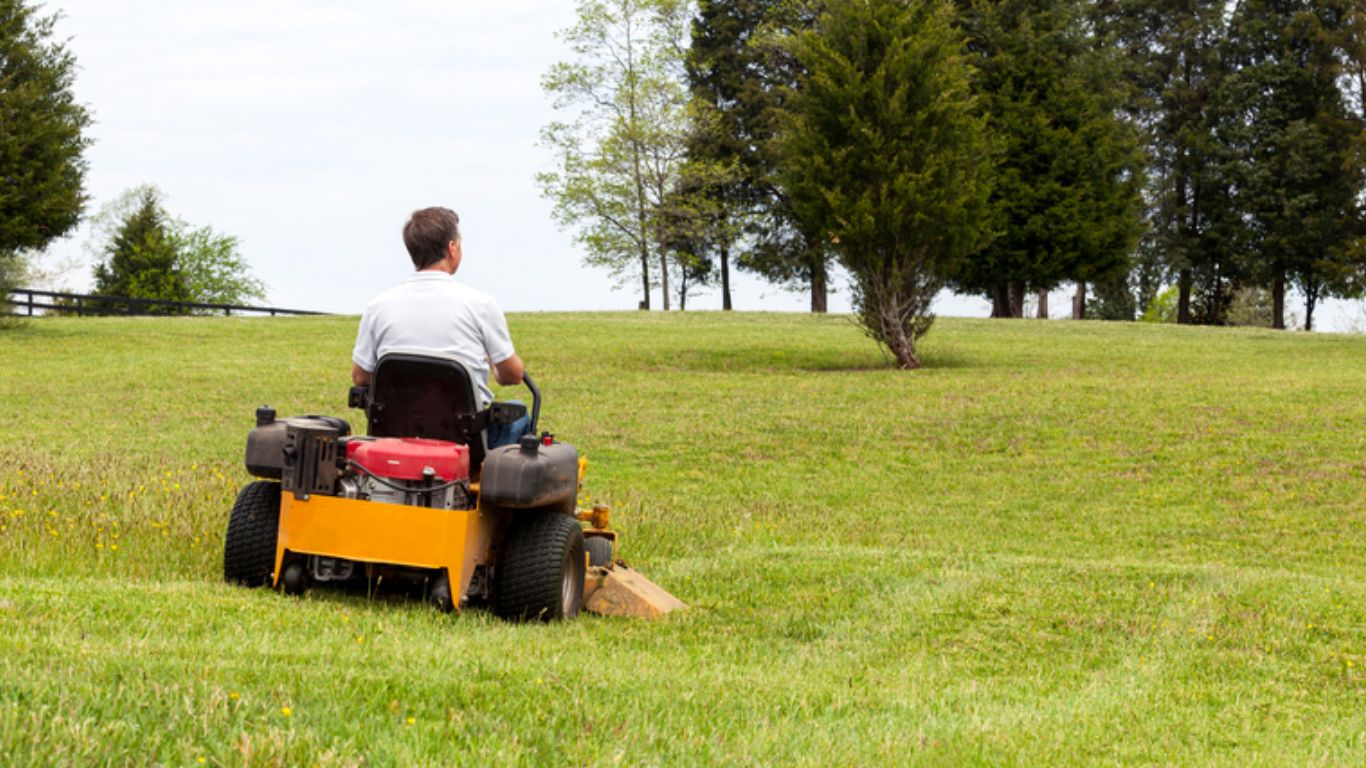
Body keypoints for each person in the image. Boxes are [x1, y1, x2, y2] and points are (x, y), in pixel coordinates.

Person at [351, 207, 531, 447]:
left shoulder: (378, 307)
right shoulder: (480, 304)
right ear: (451, 248)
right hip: (467, 443)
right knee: (518, 411)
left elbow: (360, 377)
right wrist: (493, 366)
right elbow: (513, 375)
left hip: (395, 438)